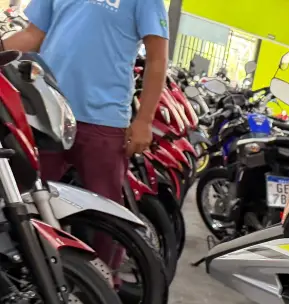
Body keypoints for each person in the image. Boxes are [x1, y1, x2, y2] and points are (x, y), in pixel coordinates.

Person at [2, 0, 169, 272]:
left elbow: (157, 58)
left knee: (106, 215)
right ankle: (34, 280)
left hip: (103, 120)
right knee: (31, 204)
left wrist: (144, 119)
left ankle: (104, 282)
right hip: (45, 110)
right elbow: (33, 35)